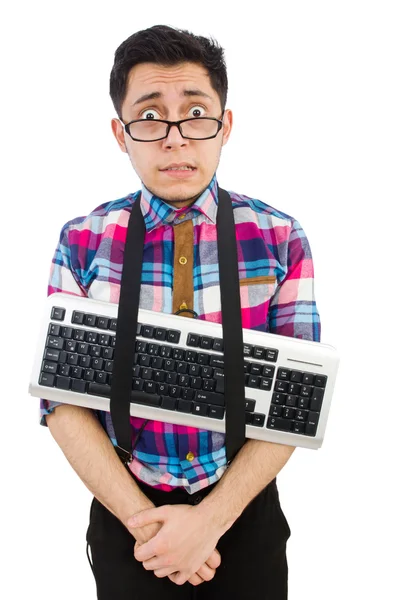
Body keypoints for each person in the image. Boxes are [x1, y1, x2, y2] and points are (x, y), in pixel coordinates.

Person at [40, 24, 321, 599]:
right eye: (149, 116)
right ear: (121, 133)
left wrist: (210, 522)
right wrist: (148, 528)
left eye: (196, 113)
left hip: (244, 511)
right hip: (127, 515)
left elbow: (295, 404)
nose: (175, 138)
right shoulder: (82, 241)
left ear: (226, 126)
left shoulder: (279, 236)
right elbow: (63, 402)